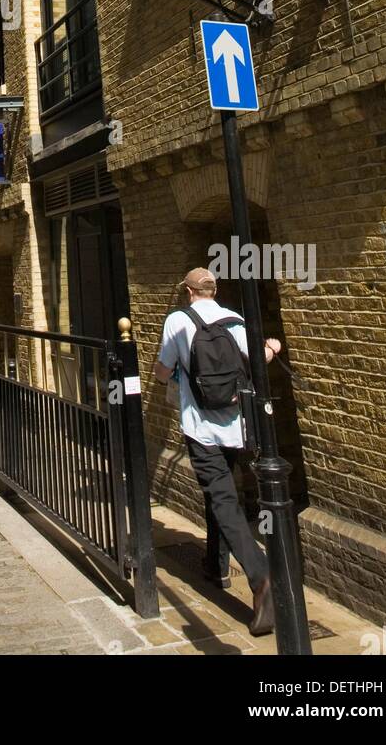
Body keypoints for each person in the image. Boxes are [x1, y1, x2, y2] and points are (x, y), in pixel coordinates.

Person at [153, 266, 282, 637]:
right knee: (222, 493)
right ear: (213, 290)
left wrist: (172, 372)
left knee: (222, 499)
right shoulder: (235, 320)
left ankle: (261, 578)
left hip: (201, 428)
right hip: (235, 427)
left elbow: (163, 372)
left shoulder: (178, 321)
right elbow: (258, 360)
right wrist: (271, 348)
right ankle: (216, 564)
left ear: (189, 292)